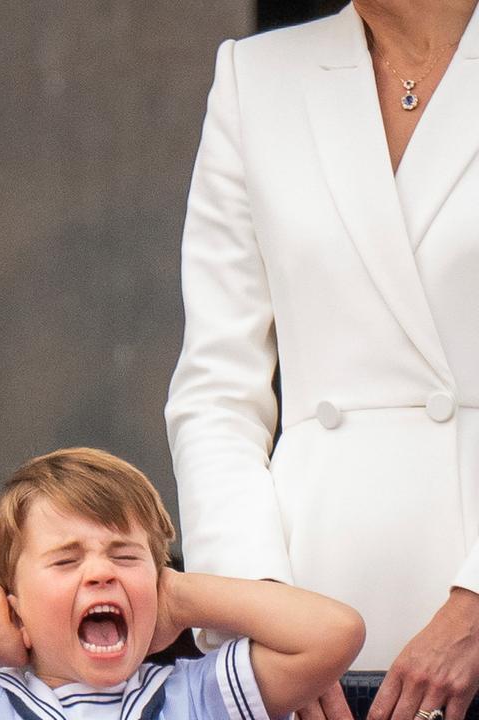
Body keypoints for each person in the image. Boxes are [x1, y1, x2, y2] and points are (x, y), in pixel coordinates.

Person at [165, 1, 479, 719]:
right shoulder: (258, 78)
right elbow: (216, 391)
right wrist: (260, 614)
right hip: (321, 650)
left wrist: (475, 608)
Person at [0, 448, 365, 720]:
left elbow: (334, 633)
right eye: (65, 562)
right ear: (15, 601)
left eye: (125, 555)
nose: (99, 571)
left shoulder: (199, 697)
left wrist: (179, 597)